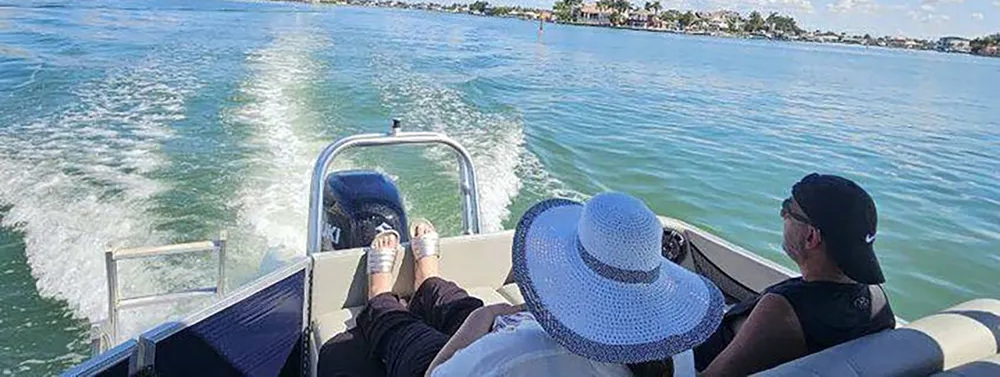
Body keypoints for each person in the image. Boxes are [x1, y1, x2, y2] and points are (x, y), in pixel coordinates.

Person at [320, 192, 726, 377]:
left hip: (473, 356)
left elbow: (438, 373)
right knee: (464, 305)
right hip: (520, 338)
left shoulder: (514, 356)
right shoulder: (674, 351)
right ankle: (430, 280)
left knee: (406, 332)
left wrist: (477, 324)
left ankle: (381, 299)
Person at [696, 174, 896, 376]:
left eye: (788, 209)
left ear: (811, 236)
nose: (783, 214)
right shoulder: (877, 302)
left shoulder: (783, 310)